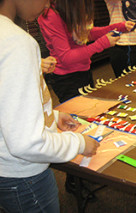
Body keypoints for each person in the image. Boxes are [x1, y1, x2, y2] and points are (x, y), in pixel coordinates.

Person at [0, 0, 100, 212]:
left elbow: (7, 104)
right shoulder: (17, 42)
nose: (47, 3)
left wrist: (52, 116)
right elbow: (27, 143)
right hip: (24, 177)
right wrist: (79, 143)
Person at [38, 0, 135, 103]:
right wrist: (102, 43)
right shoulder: (51, 15)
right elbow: (66, 57)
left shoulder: (70, 11)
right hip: (67, 79)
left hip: (84, 71)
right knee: (78, 115)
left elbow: (85, 34)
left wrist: (117, 27)